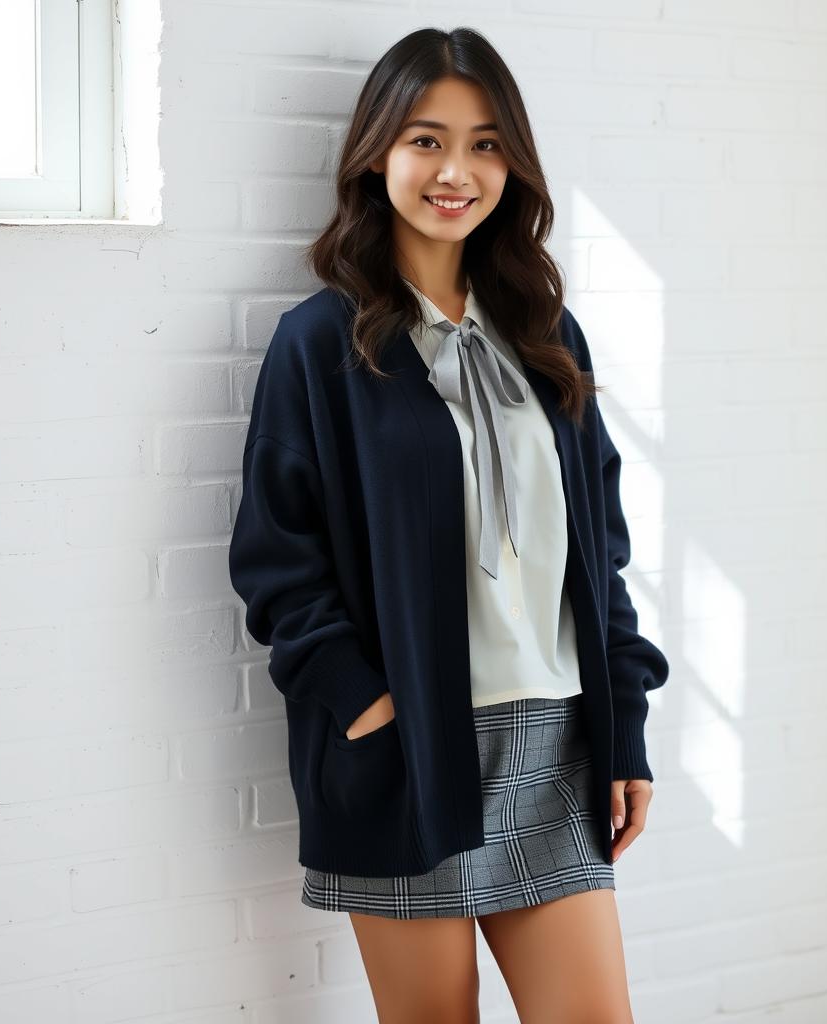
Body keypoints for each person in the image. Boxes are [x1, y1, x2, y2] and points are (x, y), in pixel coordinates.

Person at [228, 25, 669, 1024]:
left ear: (510, 165)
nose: (455, 171)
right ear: (376, 150)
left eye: (483, 144)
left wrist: (625, 728)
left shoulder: (546, 337)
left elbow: (598, 551)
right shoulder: (318, 345)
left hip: (556, 738)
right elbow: (275, 561)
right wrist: (366, 706)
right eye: (426, 140)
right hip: (405, 748)